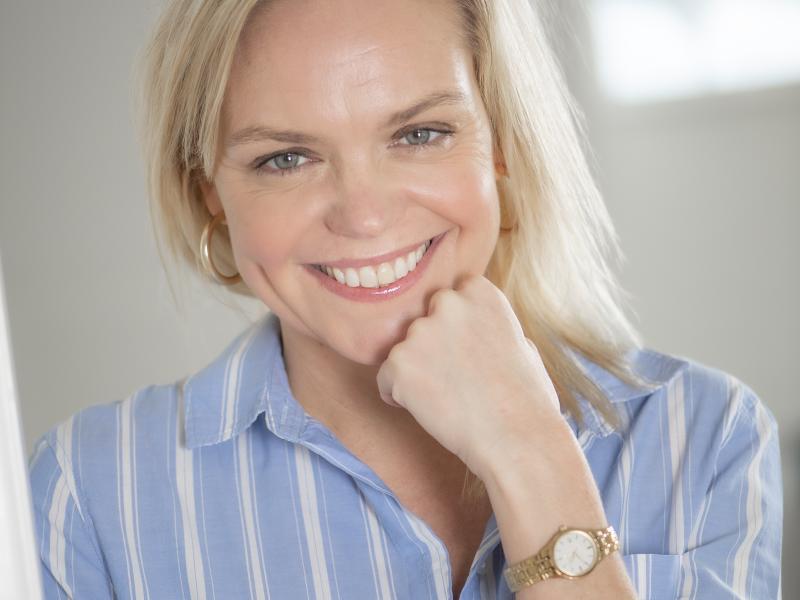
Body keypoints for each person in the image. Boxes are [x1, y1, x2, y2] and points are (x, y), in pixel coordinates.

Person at [28, 0, 782, 598]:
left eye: (419, 134)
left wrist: (529, 451)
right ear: (211, 196)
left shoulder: (705, 435)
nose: (363, 215)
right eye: (286, 158)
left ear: (501, 143)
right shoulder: (90, 494)